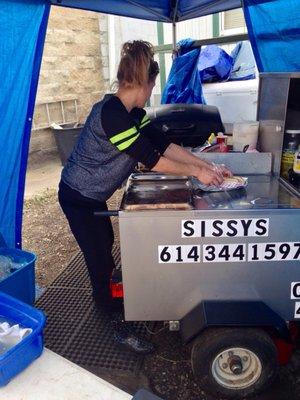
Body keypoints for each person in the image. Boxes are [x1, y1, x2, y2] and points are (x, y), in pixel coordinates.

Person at [58, 40, 231, 354]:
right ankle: (114, 323)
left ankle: (108, 293)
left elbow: (163, 144)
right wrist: (195, 174)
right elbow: (152, 159)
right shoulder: (111, 114)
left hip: (93, 194)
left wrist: (205, 164)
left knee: (105, 244)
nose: (153, 91)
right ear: (145, 82)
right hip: (77, 195)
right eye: (153, 84)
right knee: (99, 257)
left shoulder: (134, 112)